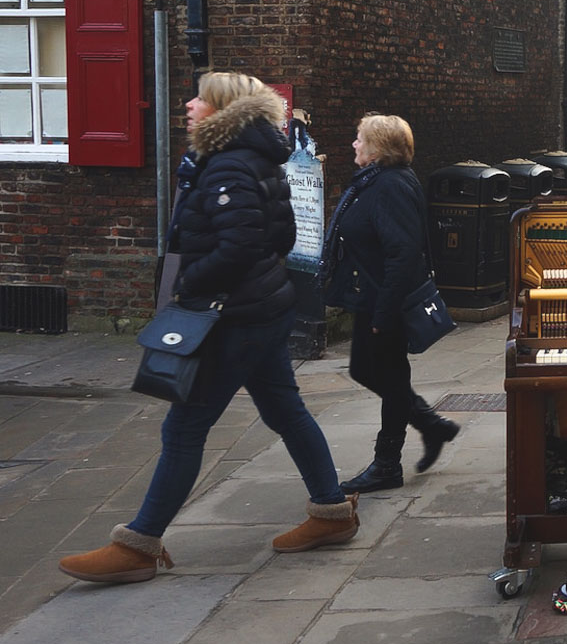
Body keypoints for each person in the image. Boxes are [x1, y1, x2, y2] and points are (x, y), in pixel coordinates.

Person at [59, 73, 358, 584]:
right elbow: (282, 237)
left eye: (201, 97)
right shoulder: (256, 158)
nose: (190, 103)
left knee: (184, 428)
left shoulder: (228, 166)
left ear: (224, 110)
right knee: (285, 410)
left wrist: (189, 285)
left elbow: (239, 245)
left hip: (232, 318)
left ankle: (139, 545)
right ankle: (331, 512)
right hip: (261, 309)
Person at [321, 114, 460, 494]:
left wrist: (384, 312)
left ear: (378, 148)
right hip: (372, 296)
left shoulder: (390, 187)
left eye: (359, 138)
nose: (353, 144)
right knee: (371, 371)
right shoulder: (375, 181)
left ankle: (387, 463)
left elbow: (402, 254)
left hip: (386, 301)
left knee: (386, 375)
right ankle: (431, 426)